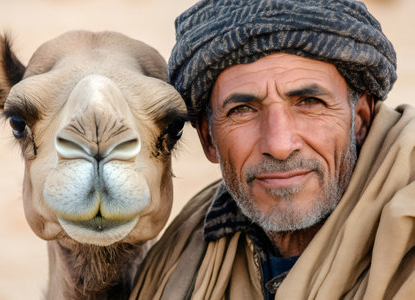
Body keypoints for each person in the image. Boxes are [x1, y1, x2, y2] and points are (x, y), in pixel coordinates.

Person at [131, 0, 415, 299]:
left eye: (309, 103)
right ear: (208, 138)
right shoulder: (179, 253)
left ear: (360, 119)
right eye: (243, 110)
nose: (279, 146)